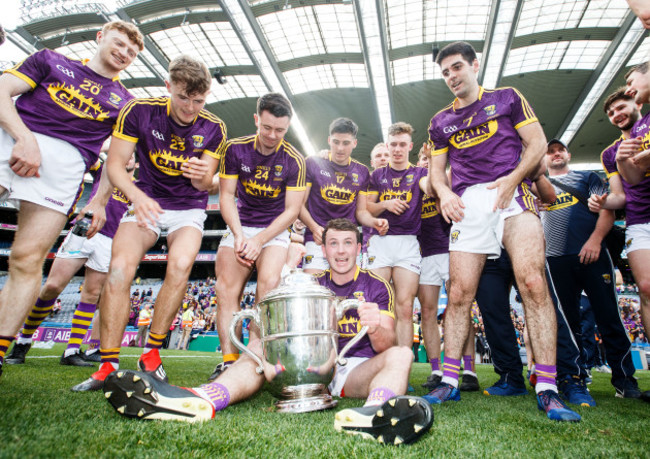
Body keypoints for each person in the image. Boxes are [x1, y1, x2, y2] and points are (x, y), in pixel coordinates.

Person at [102, 218, 433, 445]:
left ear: (359, 247)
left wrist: (373, 325)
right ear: (325, 249)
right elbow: (270, 325)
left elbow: (386, 343)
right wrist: (284, 276)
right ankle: (202, 399)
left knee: (402, 352)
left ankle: (375, 413)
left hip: (355, 372)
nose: (342, 251)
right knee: (260, 346)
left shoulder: (376, 285)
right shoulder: (310, 283)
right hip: (309, 369)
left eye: (348, 243)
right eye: (334, 244)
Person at [425, 41, 580, 421]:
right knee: (459, 292)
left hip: (512, 193)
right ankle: (449, 380)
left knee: (532, 283)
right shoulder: (440, 122)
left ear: (474, 65)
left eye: (457, 67)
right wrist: (444, 193)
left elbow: (538, 144)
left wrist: (512, 179)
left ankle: (547, 386)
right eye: (445, 72)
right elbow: (434, 173)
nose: (452, 76)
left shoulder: (508, 97)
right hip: (468, 203)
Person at [70, 55, 227, 391]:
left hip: (187, 207)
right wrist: (137, 197)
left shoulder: (214, 127)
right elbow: (114, 166)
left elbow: (206, 185)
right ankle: (107, 364)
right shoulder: (139, 110)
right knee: (119, 269)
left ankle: (151, 353)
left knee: (182, 264)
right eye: (183, 97)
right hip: (145, 201)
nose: (190, 108)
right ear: (168, 86)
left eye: (198, 101)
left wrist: (205, 177)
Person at [0, 20, 144, 378]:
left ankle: (3, 349)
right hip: (13, 141)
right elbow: (2, 90)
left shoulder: (126, 104)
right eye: (120, 43)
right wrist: (24, 138)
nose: (124, 53)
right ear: (99, 36)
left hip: (66, 168)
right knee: (45, 275)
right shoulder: (50, 60)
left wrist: (97, 202)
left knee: (27, 259)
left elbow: (118, 160)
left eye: (132, 51)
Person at [209, 93, 306, 381]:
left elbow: (291, 212)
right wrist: (239, 235)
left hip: (273, 231)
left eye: (280, 130)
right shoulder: (234, 149)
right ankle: (228, 360)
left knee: (268, 289)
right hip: (241, 225)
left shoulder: (294, 160)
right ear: (256, 120)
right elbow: (226, 196)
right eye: (267, 128)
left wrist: (259, 239)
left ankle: (254, 355)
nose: (273, 135)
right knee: (226, 291)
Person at [4, 155, 135, 366]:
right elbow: (88, 158)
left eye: (131, 157)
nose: (127, 158)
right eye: (125, 154)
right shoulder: (104, 169)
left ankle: (72, 350)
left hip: (110, 241)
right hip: (85, 230)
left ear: (136, 164)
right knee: (53, 286)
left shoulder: (137, 187)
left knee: (92, 295)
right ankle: (24, 339)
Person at [543, 138, 641, 399]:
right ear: (543, 159)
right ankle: (574, 377)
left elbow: (607, 210)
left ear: (568, 153)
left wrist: (595, 241)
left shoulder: (587, 177)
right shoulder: (538, 186)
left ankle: (624, 380)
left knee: (609, 316)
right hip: (555, 259)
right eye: (550, 152)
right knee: (568, 323)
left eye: (559, 150)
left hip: (593, 254)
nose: (555, 154)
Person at [358, 122, 431, 348]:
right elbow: (366, 208)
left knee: (405, 307)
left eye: (402, 144)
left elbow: (431, 187)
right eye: (393, 145)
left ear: (410, 146)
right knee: (376, 305)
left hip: (408, 243)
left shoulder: (419, 172)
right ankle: (376, 361)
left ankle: (402, 367)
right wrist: (386, 204)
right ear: (388, 146)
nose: (397, 149)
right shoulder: (377, 175)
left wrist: (436, 159)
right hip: (379, 243)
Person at [299, 118, 383, 274]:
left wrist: (374, 222)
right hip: (316, 240)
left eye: (345, 143)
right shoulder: (312, 163)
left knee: (346, 295)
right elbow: (299, 205)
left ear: (354, 143)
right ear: (329, 140)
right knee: (315, 291)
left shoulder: (362, 171)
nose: (340, 148)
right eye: (336, 142)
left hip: (347, 242)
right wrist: (314, 227)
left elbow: (361, 212)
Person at [415, 146, 451, 390]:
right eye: (422, 158)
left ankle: (467, 369)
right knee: (428, 312)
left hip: (451, 250)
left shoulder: (447, 177)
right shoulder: (412, 183)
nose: (426, 161)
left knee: (459, 309)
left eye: (431, 158)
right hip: (425, 255)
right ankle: (436, 369)